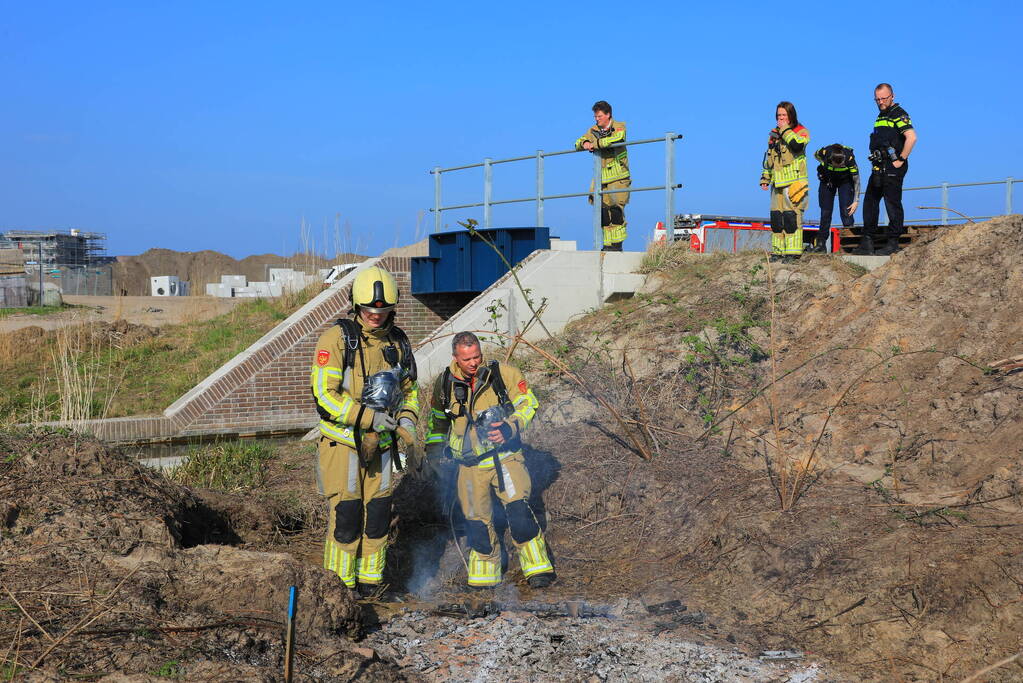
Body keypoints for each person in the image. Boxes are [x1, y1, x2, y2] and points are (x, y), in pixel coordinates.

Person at [310, 266, 419, 596]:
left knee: (378, 514)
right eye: (369, 310)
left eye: (383, 310)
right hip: (343, 445)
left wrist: (407, 420)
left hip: (382, 446)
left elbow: (409, 390)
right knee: (347, 515)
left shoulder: (398, 341)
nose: (376, 315)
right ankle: (340, 588)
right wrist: (367, 418)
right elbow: (324, 395)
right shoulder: (336, 339)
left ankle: (371, 584)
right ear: (356, 306)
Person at [425, 332, 555, 589]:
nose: (474, 363)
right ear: (455, 358)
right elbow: (438, 423)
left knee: (518, 512)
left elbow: (528, 404)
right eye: (467, 359)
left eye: (477, 356)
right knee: (476, 523)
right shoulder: (444, 383)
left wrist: (510, 427)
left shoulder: (503, 375)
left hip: (505, 458)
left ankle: (538, 568)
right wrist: (433, 453)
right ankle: (485, 576)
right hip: (469, 466)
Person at [855, 83, 917, 255]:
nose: (881, 102)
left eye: (884, 98)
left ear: (892, 96)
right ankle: (867, 241)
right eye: (877, 99)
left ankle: (893, 242)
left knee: (892, 203)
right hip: (878, 165)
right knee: (870, 201)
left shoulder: (899, 114)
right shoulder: (882, 115)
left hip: (892, 165)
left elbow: (912, 137)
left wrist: (901, 159)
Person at [575, 100, 630, 252]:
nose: (597, 119)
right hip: (601, 178)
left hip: (618, 176)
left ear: (608, 115)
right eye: (595, 116)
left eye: (599, 116)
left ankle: (617, 245)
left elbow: (617, 138)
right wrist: (585, 143)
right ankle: (607, 244)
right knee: (603, 212)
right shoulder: (593, 130)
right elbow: (577, 143)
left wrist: (596, 144)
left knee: (616, 210)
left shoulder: (619, 126)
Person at [760, 101, 811, 261]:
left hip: (795, 183)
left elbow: (797, 146)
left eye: (784, 115)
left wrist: (785, 130)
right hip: (777, 183)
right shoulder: (773, 134)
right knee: (776, 218)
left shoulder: (801, 131)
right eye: (778, 115)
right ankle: (778, 251)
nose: (780, 118)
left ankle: (793, 253)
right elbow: (770, 158)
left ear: (791, 115)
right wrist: (765, 178)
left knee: (791, 217)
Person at [811, 143, 860, 253]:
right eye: (836, 165)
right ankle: (821, 244)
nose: (839, 166)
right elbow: (815, 155)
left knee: (846, 210)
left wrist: (856, 200)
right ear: (830, 159)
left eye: (841, 165)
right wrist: (822, 165)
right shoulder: (824, 152)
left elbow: (856, 180)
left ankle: (849, 245)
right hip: (828, 180)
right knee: (825, 212)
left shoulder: (850, 159)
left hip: (845, 182)